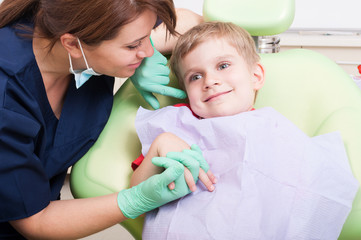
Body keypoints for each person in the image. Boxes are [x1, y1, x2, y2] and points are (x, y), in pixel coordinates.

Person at [0, 0, 214, 239]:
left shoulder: (76, 22)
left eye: (146, 38)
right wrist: (137, 200)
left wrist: (144, 44)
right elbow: (35, 220)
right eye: (133, 45)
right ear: (72, 44)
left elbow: (191, 22)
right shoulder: (7, 98)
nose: (147, 53)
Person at [131, 22, 359, 239]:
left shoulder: (274, 129)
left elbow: (310, 191)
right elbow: (135, 200)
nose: (210, 81)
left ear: (255, 76)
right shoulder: (176, 125)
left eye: (223, 66)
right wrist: (159, 146)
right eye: (195, 77)